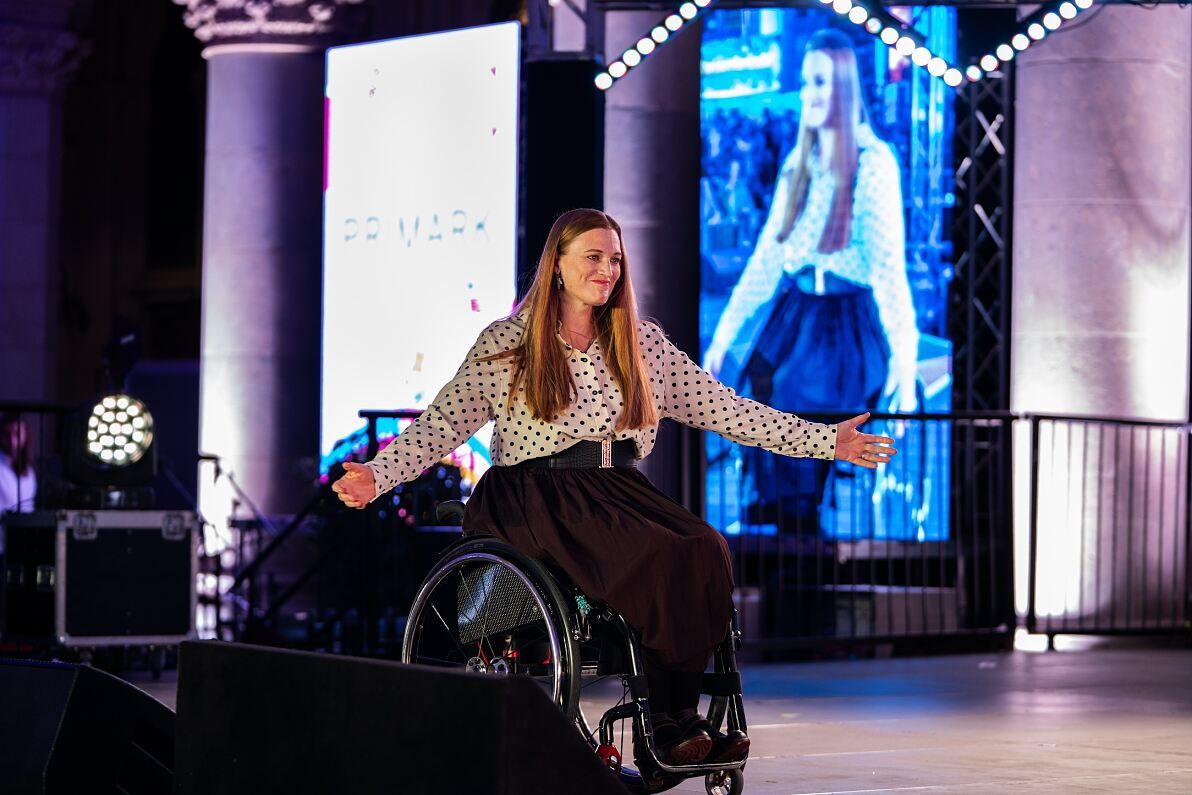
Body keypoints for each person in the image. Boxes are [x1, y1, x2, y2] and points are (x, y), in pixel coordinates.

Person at [332, 208, 895, 769]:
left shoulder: (639, 343)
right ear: (557, 265)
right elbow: (444, 423)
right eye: (595, 258)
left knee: (703, 547)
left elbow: (726, 409)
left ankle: (678, 716)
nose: (608, 270)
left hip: (617, 488)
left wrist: (823, 441)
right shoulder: (510, 343)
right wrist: (380, 475)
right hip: (537, 492)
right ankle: (669, 725)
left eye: (616, 260)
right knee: (655, 553)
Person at [702, 29, 919, 531]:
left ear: (843, 86)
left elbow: (890, 272)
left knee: (798, 413)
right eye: (805, 83)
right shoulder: (798, 164)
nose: (809, 94)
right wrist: (724, 336)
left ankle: (800, 534)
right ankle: (784, 529)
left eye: (820, 82)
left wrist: (905, 357)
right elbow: (764, 262)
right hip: (795, 315)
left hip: (842, 327)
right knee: (760, 401)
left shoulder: (873, 162)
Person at [0, 413, 37, 515]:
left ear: (25, 435)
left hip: (21, 528)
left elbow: (29, 507)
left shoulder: (29, 471)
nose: (12, 441)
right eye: (7, 435)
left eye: (17, 434)